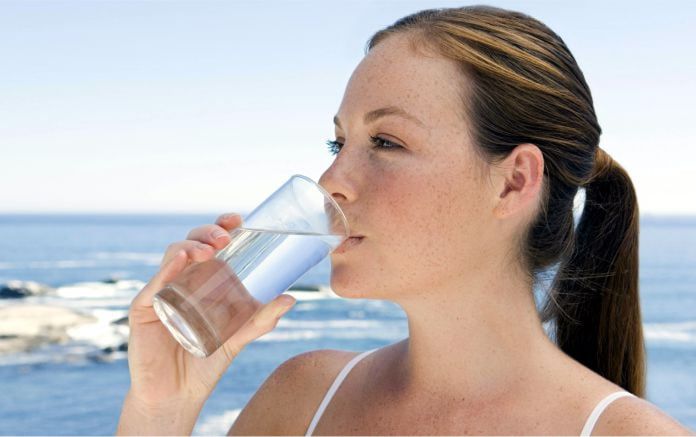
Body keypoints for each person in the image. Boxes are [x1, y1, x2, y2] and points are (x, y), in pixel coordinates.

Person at [117, 5, 695, 436]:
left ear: (514, 180)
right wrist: (160, 409)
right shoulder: (302, 399)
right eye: (337, 141)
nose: (329, 181)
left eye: (386, 141)